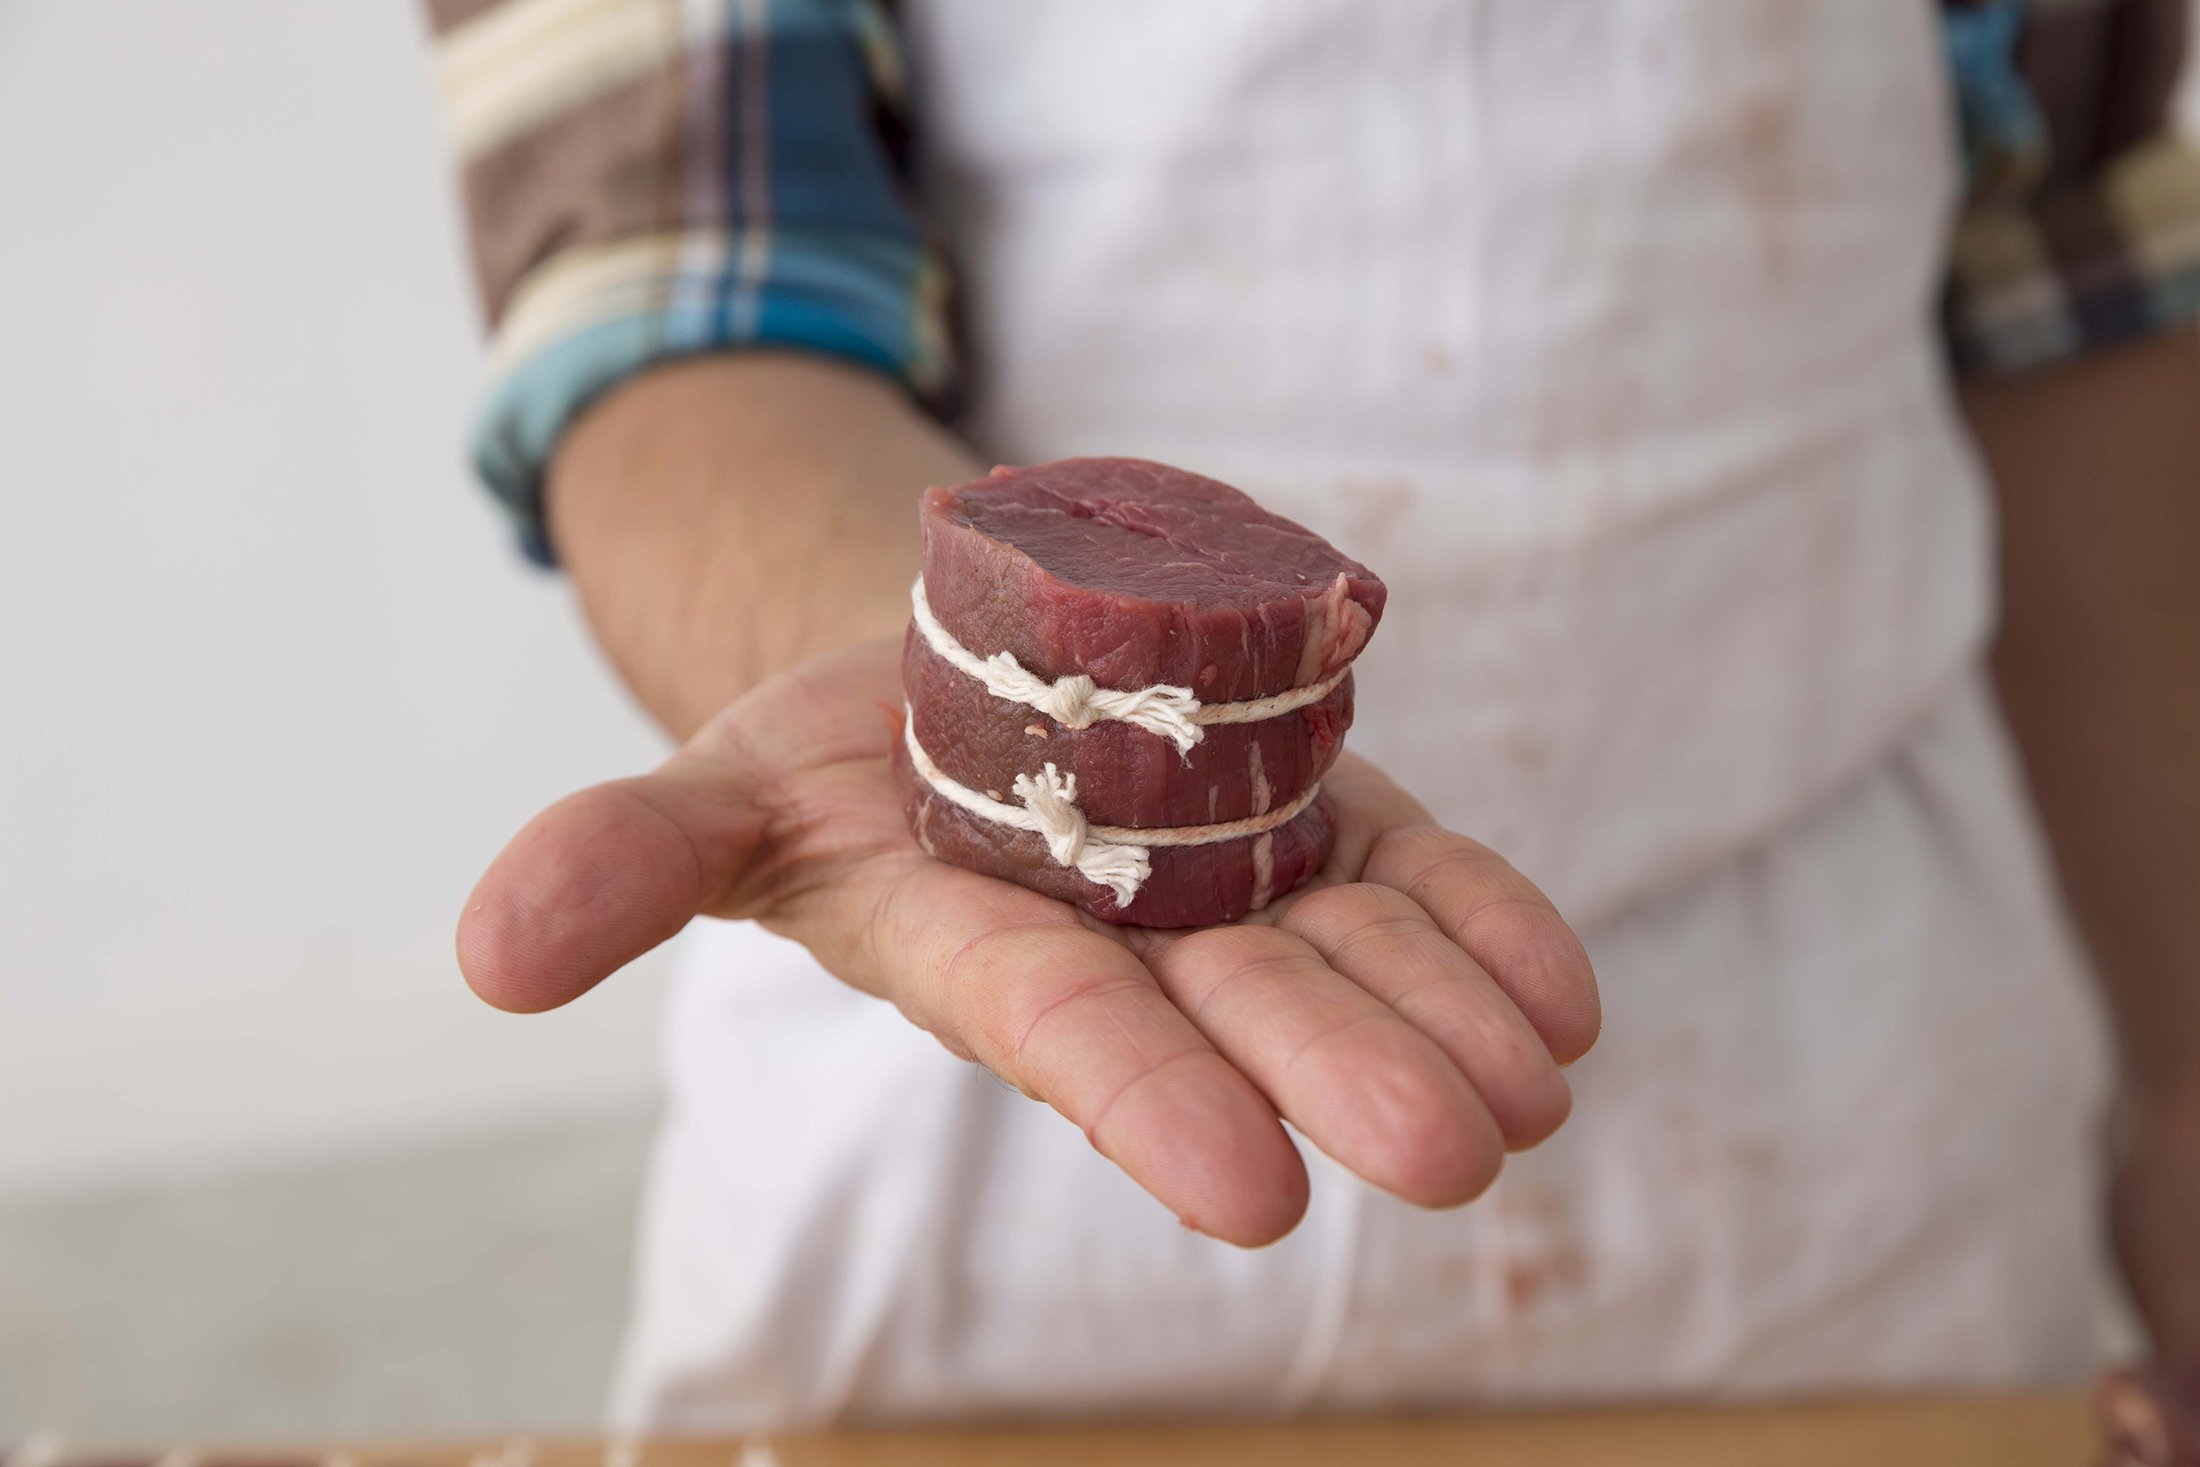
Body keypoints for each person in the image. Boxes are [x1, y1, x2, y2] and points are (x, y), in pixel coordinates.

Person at [424, 0, 2200, 1433]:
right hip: (997, 1123)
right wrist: (945, 705)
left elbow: (2071, 294)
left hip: (1847, 1080)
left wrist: (2188, 1085)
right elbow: (678, 311)